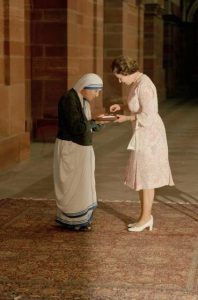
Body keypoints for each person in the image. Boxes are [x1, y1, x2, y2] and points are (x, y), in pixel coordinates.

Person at [110, 55, 174, 232]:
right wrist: (122, 106)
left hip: (150, 136)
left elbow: (149, 115)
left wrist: (126, 118)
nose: (120, 81)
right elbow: (138, 106)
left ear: (126, 72)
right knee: (142, 176)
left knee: (146, 177)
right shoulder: (137, 82)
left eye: (120, 77)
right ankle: (144, 217)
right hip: (142, 134)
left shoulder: (145, 85)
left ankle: (146, 218)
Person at [53, 73, 104, 231]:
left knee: (82, 185)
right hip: (71, 149)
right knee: (72, 186)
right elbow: (76, 127)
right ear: (85, 88)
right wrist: (94, 122)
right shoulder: (69, 99)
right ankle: (72, 219)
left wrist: (98, 123)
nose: (96, 95)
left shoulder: (82, 100)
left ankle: (81, 219)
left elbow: (85, 125)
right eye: (95, 91)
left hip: (80, 149)